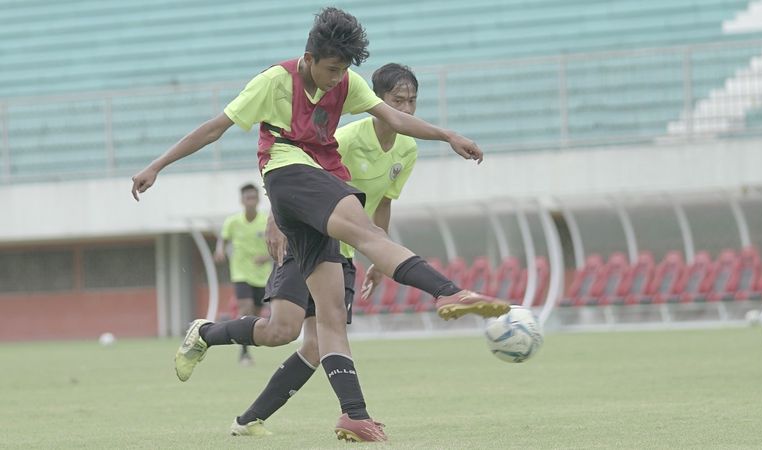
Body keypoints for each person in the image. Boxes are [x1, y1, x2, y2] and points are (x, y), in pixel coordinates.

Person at [130, 8, 510, 442]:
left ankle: (352, 413)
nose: (336, 80)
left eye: (344, 70)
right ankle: (449, 292)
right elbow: (216, 128)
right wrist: (157, 165)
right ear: (309, 57)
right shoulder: (275, 81)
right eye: (331, 69)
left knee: (322, 319)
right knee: (367, 234)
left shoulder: (348, 83)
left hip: (320, 186)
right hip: (286, 172)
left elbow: (396, 120)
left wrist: (448, 136)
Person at [230, 62, 420, 437]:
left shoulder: (408, 149)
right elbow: (294, 174)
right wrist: (275, 216)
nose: (406, 109)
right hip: (308, 242)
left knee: (316, 344)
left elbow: (382, 204)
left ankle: (252, 419)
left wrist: (379, 259)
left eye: (413, 101)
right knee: (281, 331)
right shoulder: (347, 137)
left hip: (344, 254)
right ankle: (207, 334)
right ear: (376, 99)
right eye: (398, 100)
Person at [213, 183, 271, 366]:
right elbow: (223, 238)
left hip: (262, 276)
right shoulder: (233, 222)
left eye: (254, 197)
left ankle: (245, 345)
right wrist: (220, 250)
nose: (251, 201)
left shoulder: (266, 221)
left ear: (258, 199)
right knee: (244, 308)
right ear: (242, 200)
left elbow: (277, 247)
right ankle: (244, 352)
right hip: (240, 273)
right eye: (248, 198)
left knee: (254, 315)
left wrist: (267, 257)